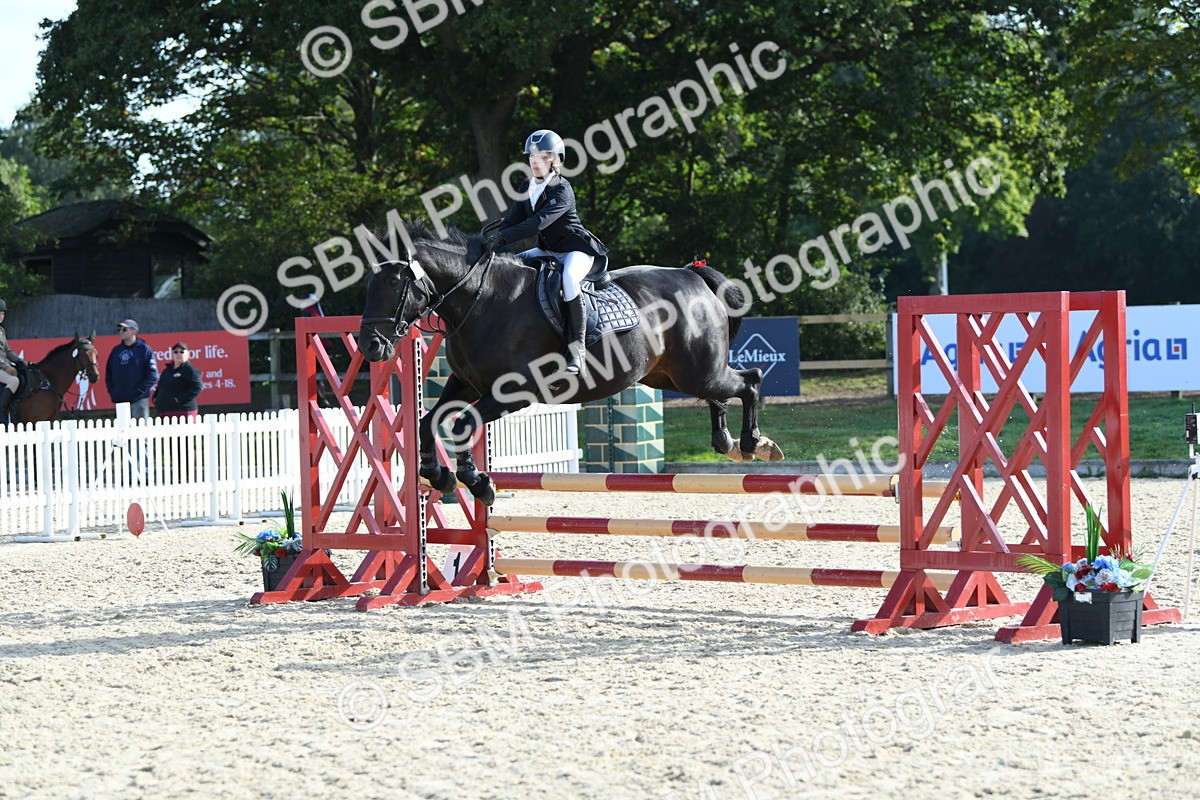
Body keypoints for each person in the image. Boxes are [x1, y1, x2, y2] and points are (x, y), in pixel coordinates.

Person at [486, 129, 608, 376]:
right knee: (510, 267)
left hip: (576, 251)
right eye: (532, 157)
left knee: (570, 280)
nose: (535, 161)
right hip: (548, 251)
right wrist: (490, 244)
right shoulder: (526, 186)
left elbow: (538, 223)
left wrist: (503, 237)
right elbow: (513, 221)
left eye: (543, 157)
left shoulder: (562, 188)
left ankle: (577, 350)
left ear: (556, 160)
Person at [105, 319, 158, 419]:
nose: (121, 332)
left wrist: (138, 391)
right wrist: (113, 392)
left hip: (138, 400)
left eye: (124, 329)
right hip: (120, 399)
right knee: (122, 432)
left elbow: (153, 375)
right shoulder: (116, 350)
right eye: (120, 330)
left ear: (134, 331)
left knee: (140, 431)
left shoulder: (144, 349)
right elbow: (109, 373)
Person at [153, 341, 204, 419]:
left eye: (182, 352)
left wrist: (179, 400)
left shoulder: (190, 370)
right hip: (165, 412)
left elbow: (197, 387)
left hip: (183, 412)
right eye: (176, 352)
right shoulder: (167, 371)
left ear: (187, 354)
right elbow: (160, 387)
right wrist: (155, 398)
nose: (178, 354)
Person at [0, 298, 25, 423]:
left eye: (3, 313)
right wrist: (5, 366)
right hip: (1, 366)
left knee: (22, 375)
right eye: (0, 312)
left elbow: (8, 351)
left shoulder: (1, 331)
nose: (2, 316)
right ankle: (1, 410)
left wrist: (20, 361)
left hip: (3, 365)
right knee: (13, 380)